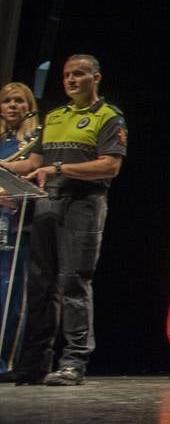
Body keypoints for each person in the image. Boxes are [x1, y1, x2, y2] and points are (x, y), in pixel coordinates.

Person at [0, 55, 128, 386]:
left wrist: (59, 170)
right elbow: (33, 163)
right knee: (40, 285)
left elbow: (110, 166)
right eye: (67, 75)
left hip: (84, 205)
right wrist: (5, 168)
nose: (71, 80)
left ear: (95, 78)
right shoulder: (55, 117)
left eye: (79, 75)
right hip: (46, 206)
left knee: (73, 282)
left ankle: (74, 361)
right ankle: (34, 363)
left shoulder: (108, 117)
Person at [0, 82, 40, 377]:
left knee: (10, 296)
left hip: (17, 225)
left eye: (19, 101)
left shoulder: (34, 140)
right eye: (6, 101)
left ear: (29, 107)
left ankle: (6, 362)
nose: (12, 106)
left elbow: (34, 168)